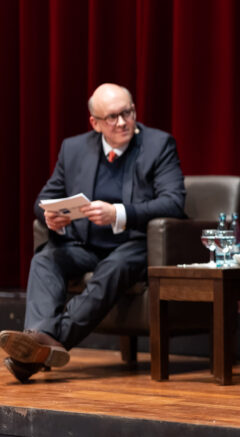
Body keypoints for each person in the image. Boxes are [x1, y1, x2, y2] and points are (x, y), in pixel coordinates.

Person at [0, 83, 186, 383]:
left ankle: (40, 343)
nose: (123, 122)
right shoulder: (74, 148)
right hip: (86, 244)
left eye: (128, 112)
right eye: (112, 117)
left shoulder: (158, 145)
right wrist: (50, 216)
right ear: (95, 123)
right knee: (46, 259)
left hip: (134, 243)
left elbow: (174, 202)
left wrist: (118, 213)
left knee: (114, 266)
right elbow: (43, 199)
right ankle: (40, 341)